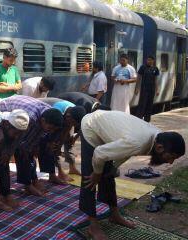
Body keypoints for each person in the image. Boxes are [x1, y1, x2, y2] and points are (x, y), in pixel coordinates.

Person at [79, 110, 185, 240]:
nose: (170, 162)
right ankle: (93, 226)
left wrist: (113, 167)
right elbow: (99, 153)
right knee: (89, 180)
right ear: (160, 148)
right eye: (172, 157)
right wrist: (96, 173)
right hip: (91, 127)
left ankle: (114, 215)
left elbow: (127, 151)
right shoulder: (139, 142)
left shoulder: (158, 138)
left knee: (108, 175)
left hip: (106, 129)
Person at [0, 95, 63, 199]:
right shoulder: (30, 118)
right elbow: (18, 140)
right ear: (43, 121)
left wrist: (33, 147)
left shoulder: (51, 115)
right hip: (5, 109)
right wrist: (8, 152)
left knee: (29, 150)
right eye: (50, 128)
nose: (51, 131)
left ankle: (33, 181)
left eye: (53, 129)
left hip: (25, 111)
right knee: (10, 154)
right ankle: (11, 191)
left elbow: (34, 142)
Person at [39, 98, 86, 181]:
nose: (73, 125)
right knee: (53, 146)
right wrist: (56, 145)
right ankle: (58, 173)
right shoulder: (56, 112)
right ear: (68, 117)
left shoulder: (75, 112)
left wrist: (73, 139)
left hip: (63, 118)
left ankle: (72, 168)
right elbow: (50, 135)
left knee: (68, 142)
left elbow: (71, 129)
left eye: (74, 124)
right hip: (50, 117)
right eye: (72, 123)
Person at [135, 56, 160, 122]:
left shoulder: (155, 69)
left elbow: (156, 80)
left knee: (149, 105)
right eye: (148, 60)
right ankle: (138, 120)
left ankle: (147, 120)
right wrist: (137, 88)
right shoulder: (142, 67)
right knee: (142, 105)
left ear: (153, 61)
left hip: (152, 89)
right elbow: (139, 79)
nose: (149, 61)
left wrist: (157, 90)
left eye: (150, 60)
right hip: (144, 89)